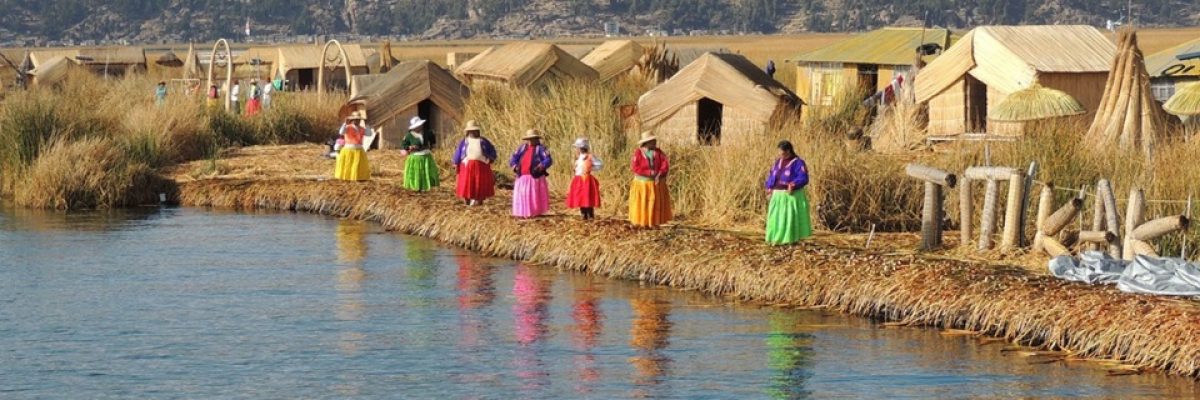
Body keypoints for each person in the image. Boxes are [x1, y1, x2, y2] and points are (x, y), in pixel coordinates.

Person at [764, 140, 812, 245]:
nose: (780, 155)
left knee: (788, 218)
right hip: (777, 196)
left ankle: (789, 239)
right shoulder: (778, 162)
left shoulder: (798, 163)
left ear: (788, 151)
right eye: (779, 153)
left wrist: (794, 184)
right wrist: (769, 187)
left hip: (789, 195)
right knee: (775, 218)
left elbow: (803, 177)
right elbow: (772, 175)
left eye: (782, 153)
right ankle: (775, 238)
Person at [628, 133, 671, 228]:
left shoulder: (659, 152)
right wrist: (649, 173)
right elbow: (635, 167)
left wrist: (660, 173)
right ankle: (641, 222)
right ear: (646, 143)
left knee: (654, 203)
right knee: (642, 202)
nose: (655, 143)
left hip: (655, 184)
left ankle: (654, 222)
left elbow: (665, 164)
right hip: (642, 184)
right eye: (652, 141)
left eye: (655, 141)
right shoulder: (638, 153)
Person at [451, 120, 497, 206]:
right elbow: (458, 152)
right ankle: (467, 200)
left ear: (478, 131)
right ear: (468, 132)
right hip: (467, 166)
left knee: (479, 184)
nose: (473, 132)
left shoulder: (483, 141)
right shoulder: (464, 142)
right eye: (471, 131)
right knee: (467, 184)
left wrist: (491, 158)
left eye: (475, 131)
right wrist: (455, 162)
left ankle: (479, 201)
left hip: (481, 166)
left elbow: (492, 150)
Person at [509, 129, 553, 218]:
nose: (530, 141)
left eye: (532, 139)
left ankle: (534, 212)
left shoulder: (540, 149)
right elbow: (514, 157)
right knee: (522, 195)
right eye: (529, 139)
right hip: (522, 176)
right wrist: (515, 166)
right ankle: (522, 213)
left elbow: (548, 159)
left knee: (533, 195)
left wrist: (541, 166)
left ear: (537, 139)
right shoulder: (522, 148)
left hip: (534, 176)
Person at [566, 138, 601, 220]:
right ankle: (583, 214)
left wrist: (590, 168)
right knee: (580, 197)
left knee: (587, 196)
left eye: (577, 148)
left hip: (586, 179)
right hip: (578, 179)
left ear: (581, 148)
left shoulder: (589, 156)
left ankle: (590, 214)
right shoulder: (578, 158)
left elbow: (599, 164)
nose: (576, 150)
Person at [401, 116, 439, 192]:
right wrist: (410, 147)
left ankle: (424, 187)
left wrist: (431, 147)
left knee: (425, 172)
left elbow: (433, 140)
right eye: (417, 126)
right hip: (415, 157)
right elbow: (404, 145)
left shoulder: (428, 132)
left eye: (419, 125)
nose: (419, 127)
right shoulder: (409, 136)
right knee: (417, 173)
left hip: (426, 156)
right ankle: (416, 187)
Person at [333, 112, 371, 181]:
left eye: (359, 120)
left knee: (357, 165)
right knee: (348, 164)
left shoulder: (362, 128)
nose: (357, 121)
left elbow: (369, 134)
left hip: (359, 150)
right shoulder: (348, 127)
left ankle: (358, 178)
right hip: (349, 149)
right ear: (353, 120)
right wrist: (345, 124)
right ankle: (347, 178)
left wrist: (367, 124)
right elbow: (341, 132)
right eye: (356, 119)